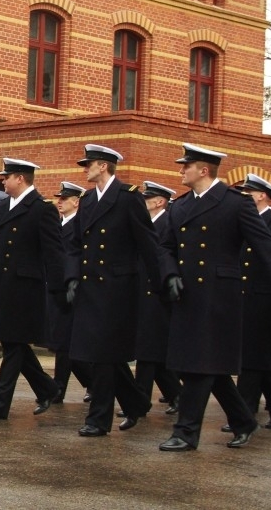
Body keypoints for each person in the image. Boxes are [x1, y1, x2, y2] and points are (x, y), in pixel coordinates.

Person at [157, 145, 271, 452]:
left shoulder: (235, 204)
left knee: (199, 365)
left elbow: (267, 246)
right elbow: (164, 247)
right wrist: (169, 274)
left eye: (185, 167)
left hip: (220, 298)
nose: (180, 171)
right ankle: (244, 421)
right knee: (207, 364)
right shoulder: (179, 206)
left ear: (203, 170)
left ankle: (186, 432)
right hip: (187, 296)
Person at [65, 144, 159, 437]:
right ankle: (136, 403)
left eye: (89, 164)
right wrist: (71, 277)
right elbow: (74, 245)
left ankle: (98, 419)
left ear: (104, 166)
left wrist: (159, 283)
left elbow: (148, 243)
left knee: (104, 355)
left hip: (118, 288)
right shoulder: (88, 199)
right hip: (90, 286)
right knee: (103, 354)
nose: (85, 169)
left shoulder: (128, 198)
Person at [0, 158, 64, 421]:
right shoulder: (2, 206)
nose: (3, 180)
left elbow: (53, 252)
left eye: (7, 177)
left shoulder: (41, 208)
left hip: (25, 290)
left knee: (13, 347)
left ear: (20, 179)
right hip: (1, 286)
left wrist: (57, 291)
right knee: (15, 344)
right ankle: (48, 388)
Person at [225, 174, 271, 431]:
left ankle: (245, 411)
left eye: (248, 193)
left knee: (253, 357)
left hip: (266, 300)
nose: (244, 197)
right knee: (255, 358)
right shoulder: (241, 221)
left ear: (262, 195)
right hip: (242, 297)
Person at [129, 181, 182, 418]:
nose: (143, 201)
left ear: (160, 201)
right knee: (152, 352)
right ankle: (177, 395)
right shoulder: (148, 223)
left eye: (147, 198)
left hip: (158, 294)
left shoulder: (167, 223)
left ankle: (139, 401)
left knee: (148, 350)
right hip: (143, 291)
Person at [43, 181, 91, 403]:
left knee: (64, 342)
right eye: (59, 198)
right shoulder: (57, 225)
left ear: (76, 202)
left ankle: (58, 387)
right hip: (55, 288)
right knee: (63, 343)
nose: (59, 202)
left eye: (64, 199)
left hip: (72, 290)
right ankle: (92, 383)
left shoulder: (80, 226)